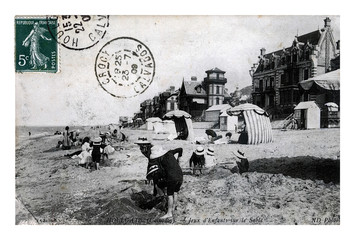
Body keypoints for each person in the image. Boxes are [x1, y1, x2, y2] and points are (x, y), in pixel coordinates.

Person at [149, 145, 183, 219]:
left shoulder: (159, 160)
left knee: (169, 195)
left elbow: (160, 173)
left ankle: (169, 213)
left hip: (172, 177)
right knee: (175, 192)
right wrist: (179, 158)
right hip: (180, 175)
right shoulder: (170, 152)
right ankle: (173, 208)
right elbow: (180, 149)